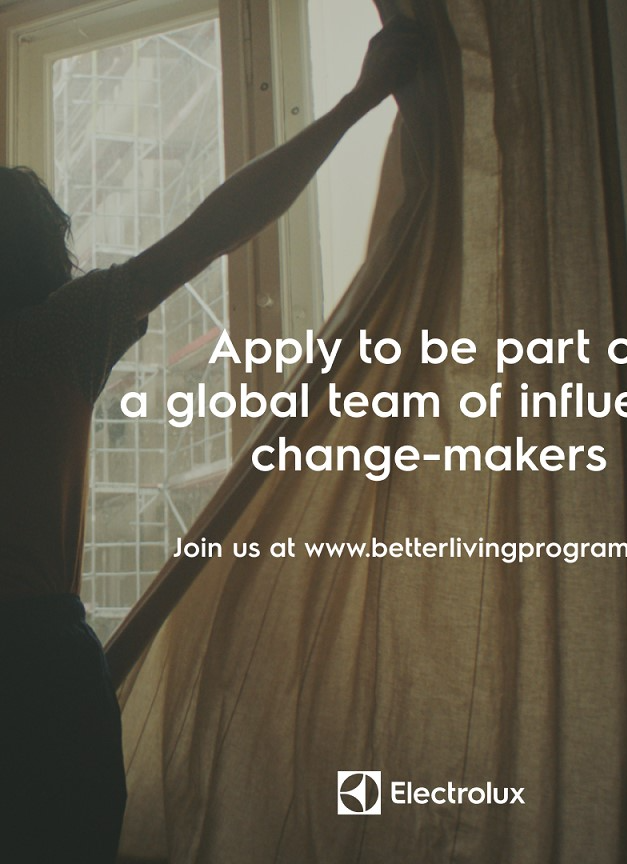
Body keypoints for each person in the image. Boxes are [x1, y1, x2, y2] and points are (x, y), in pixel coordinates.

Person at [0, 17, 420, 862]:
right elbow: (217, 225)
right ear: (45, 251)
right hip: (40, 666)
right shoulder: (59, 335)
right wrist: (357, 102)